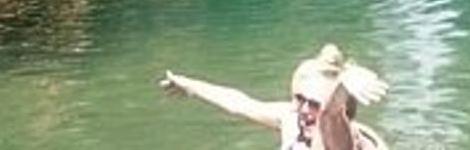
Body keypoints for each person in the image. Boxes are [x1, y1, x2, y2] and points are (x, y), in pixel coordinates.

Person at [160, 44, 389, 150]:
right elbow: (239, 103)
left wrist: (344, 86)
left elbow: (330, 117)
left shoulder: (340, 138)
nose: (304, 110)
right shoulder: (290, 117)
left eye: (314, 104)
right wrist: (189, 85)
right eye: (300, 98)